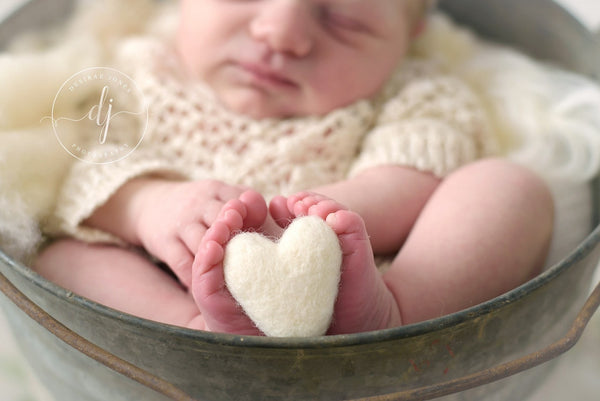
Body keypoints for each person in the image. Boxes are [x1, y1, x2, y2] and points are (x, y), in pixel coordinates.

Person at [34, 0, 554, 336]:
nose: (279, 33)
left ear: (410, 32)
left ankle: (396, 316)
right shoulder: (138, 69)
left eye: (346, 19)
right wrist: (149, 206)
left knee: (507, 189)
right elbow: (86, 172)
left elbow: (414, 175)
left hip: (368, 279)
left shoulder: (416, 91)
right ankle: (199, 333)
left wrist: (312, 228)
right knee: (64, 260)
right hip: (172, 283)